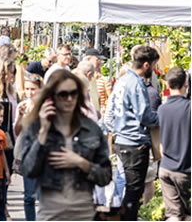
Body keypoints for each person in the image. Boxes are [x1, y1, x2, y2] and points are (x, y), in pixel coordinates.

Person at [19, 69, 111, 220]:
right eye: (63, 94)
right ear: (51, 97)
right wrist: (43, 132)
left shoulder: (91, 129)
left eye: (73, 93)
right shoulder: (36, 127)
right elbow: (28, 169)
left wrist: (82, 163)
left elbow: (105, 176)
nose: (69, 99)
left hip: (83, 211)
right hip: (51, 211)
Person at [105, 46, 160, 221]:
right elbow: (144, 114)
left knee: (129, 188)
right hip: (135, 142)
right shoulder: (137, 83)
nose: (154, 69)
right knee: (134, 192)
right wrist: (163, 117)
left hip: (122, 140)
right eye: (153, 65)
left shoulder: (122, 80)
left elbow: (111, 110)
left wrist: (119, 129)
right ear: (146, 65)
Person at [158, 67, 190, 221]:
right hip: (185, 170)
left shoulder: (161, 110)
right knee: (187, 214)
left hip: (166, 168)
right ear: (186, 83)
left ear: (167, 85)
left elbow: (160, 142)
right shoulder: (189, 108)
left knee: (173, 215)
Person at [13, 72, 42, 221]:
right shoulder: (22, 106)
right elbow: (17, 131)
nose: (29, 92)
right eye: (27, 89)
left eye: (33, 89)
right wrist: (19, 116)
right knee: (29, 195)